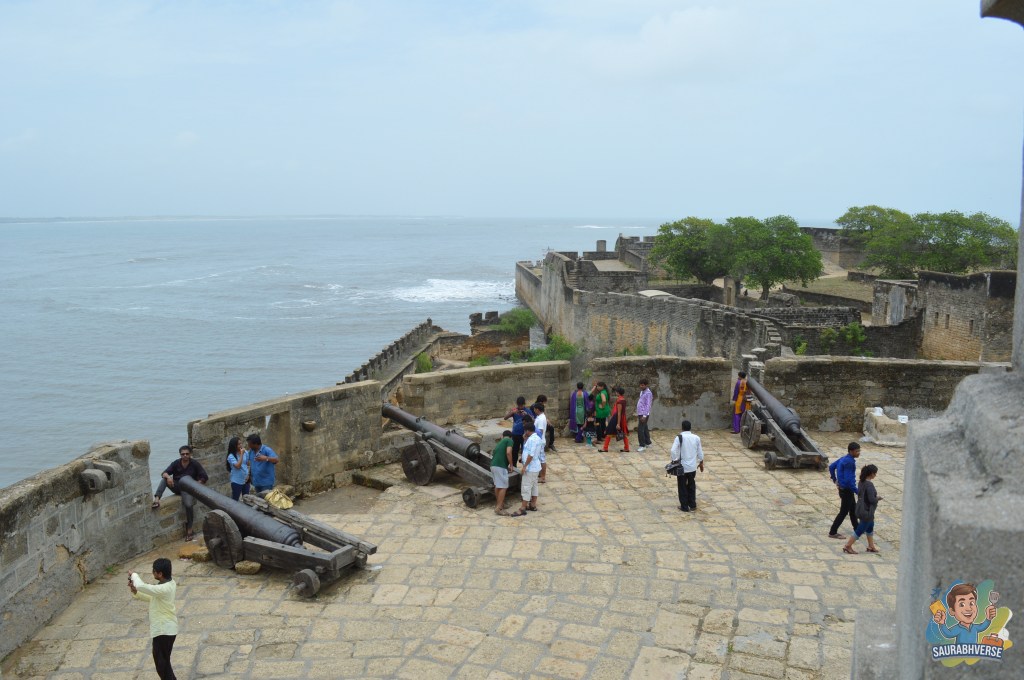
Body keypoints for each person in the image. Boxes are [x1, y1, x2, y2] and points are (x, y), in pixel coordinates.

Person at [128, 557, 178, 680]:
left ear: (160, 574)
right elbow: (151, 597)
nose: (152, 572)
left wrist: (134, 575)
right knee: (164, 663)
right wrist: (135, 592)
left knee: (162, 665)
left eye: (154, 571)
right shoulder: (167, 585)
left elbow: (141, 585)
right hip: (165, 630)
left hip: (164, 631)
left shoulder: (164, 588)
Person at [158, 445, 209, 542]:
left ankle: (189, 529)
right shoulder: (176, 463)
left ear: (190, 454)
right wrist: (168, 477)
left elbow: (204, 476)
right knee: (164, 480)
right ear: (180, 455)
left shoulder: (194, 464)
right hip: (177, 486)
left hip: (188, 489)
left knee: (189, 505)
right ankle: (157, 499)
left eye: (187, 454)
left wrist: (196, 484)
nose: (185, 456)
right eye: (183, 454)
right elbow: (164, 473)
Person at [932, 583, 998, 644]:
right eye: (962, 604)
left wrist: (988, 618)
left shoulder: (974, 627)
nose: (968, 609)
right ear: (952, 611)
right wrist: (942, 623)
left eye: (971, 603)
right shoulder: (958, 628)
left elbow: (983, 626)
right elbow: (948, 634)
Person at [844, 464, 882, 554]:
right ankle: (848, 546)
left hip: (861, 508)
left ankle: (871, 546)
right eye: (875, 473)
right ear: (871, 474)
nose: (875, 475)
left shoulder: (861, 482)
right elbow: (872, 499)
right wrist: (878, 498)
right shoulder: (869, 485)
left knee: (870, 526)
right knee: (860, 529)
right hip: (867, 511)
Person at [669, 420, 704, 512]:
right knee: (692, 485)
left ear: (682, 427)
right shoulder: (696, 438)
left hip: (682, 467)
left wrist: (674, 460)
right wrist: (701, 462)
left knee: (682, 486)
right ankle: (692, 505)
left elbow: (673, 450)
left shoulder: (679, 437)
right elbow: (700, 452)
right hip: (692, 467)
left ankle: (684, 506)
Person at [828, 442, 861, 538]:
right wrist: (857, 491)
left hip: (843, 489)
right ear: (851, 451)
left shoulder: (843, 458)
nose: (858, 453)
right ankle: (833, 532)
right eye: (857, 451)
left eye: (859, 451)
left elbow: (831, 467)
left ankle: (857, 528)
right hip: (847, 490)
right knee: (843, 512)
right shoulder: (849, 462)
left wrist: (835, 479)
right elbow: (848, 480)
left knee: (853, 509)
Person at [511, 422, 543, 517]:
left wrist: (525, 466)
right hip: (536, 466)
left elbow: (531, 454)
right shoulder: (537, 438)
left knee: (526, 487)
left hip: (530, 467)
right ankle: (533, 504)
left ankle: (523, 508)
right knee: (534, 486)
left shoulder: (532, 440)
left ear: (527, 431)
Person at [490, 430, 515, 515]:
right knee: (504, 486)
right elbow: (508, 452)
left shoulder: (499, 443)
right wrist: (511, 465)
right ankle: (499, 508)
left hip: (493, 465)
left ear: (502, 436)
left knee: (498, 485)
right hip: (500, 466)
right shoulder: (509, 440)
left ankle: (499, 504)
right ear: (510, 436)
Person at [600, 386, 630, 453]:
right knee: (623, 432)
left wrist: (618, 424)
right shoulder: (623, 400)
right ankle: (626, 447)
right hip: (622, 418)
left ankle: (605, 448)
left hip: (617, 418)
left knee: (609, 431)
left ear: (618, 393)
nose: (615, 393)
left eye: (616, 392)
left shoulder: (619, 401)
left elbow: (619, 413)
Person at [504, 396, 533, 464]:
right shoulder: (514, 410)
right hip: (515, 434)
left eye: (521, 405)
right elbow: (505, 418)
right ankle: (514, 466)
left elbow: (533, 421)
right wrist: (512, 413)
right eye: (519, 405)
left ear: (524, 404)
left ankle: (524, 464)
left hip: (525, 434)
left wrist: (527, 414)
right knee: (514, 451)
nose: (520, 407)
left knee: (524, 450)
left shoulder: (528, 411)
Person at [226, 436, 254, 501]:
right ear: (234, 446)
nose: (241, 445)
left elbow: (248, 464)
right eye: (238, 444)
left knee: (246, 499)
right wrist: (241, 454)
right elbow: (238, 466)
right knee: (235, 499)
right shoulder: (231, 456)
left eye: (241, 443)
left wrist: (248, 475)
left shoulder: (246, 452)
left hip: (246, 480)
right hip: (236, 481)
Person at [532, 402, 549, 483]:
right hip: (538, 441)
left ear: (537, 409)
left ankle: (543, 477)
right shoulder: (540, 417)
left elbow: (540, 431)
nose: (534, 410)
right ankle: (540, 473)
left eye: (534, 409)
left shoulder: (542, 418)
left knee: (542, 459)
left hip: (540, 442)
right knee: (539, 458)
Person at [636, 379, 653, 451]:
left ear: (646, 385)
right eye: (640, 385)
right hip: (640, 412)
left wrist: (645, 416)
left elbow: (648, 405)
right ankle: (648, 442)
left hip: (644, 414)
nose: (641, 386)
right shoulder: (642, 392)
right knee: (645, 428)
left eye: (642, 385)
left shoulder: (648, 393)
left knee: (640, 429)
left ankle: (642, 445)